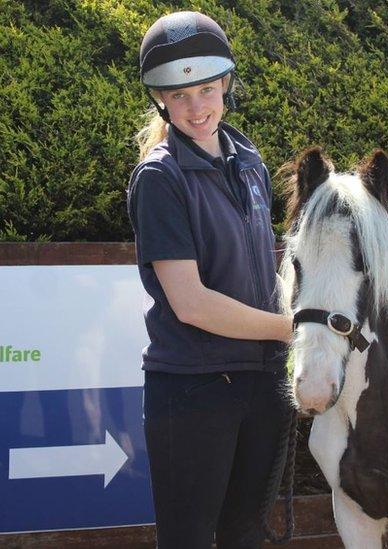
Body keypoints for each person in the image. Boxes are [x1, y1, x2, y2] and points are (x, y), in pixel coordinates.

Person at [127, 11, 295, 549]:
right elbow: (192, 303)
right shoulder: (159, 177)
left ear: (225, 83)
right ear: (161, 101)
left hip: (262, 382)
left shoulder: (249, 161)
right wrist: (292, 330)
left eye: (205, 89)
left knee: (246, 536)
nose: (196, 108)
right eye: (179, 96)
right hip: (194, 388)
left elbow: (264, 269)